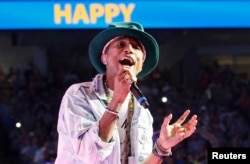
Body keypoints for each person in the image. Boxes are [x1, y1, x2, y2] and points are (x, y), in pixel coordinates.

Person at [55, 22, 198, 164]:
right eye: (121, 45)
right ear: (104, 57)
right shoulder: (79, 95)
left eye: (136, 47)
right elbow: (90, 155)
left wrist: (161, 147)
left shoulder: (142, 112)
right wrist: (117, 100)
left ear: (141, 65)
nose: (129, 49)